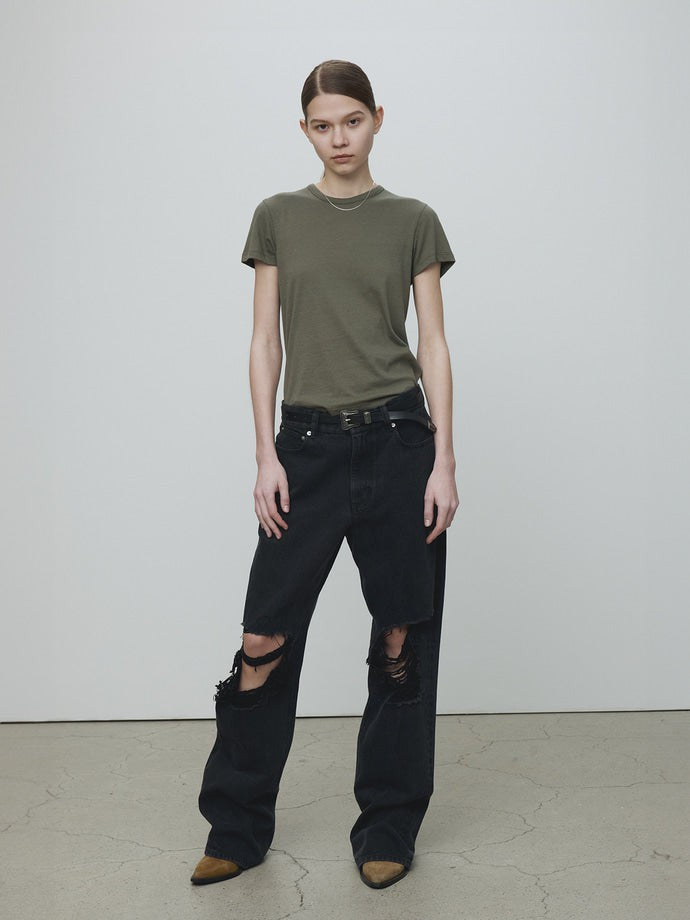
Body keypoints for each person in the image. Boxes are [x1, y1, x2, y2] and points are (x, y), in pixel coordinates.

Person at [191, 59, 459, 890]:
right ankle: (236, 827)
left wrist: (445, 459)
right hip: (304, 447)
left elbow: (433, 343)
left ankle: (387, 824)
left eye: (351, 120)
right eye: (321, 124)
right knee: (262, 639)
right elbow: (264, 339)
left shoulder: (413, 220)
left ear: (377, 118)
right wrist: (265, 452)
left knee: (401, 640)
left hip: (398, 441)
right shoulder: (278, 217)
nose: (338, 138)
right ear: (304, 129)